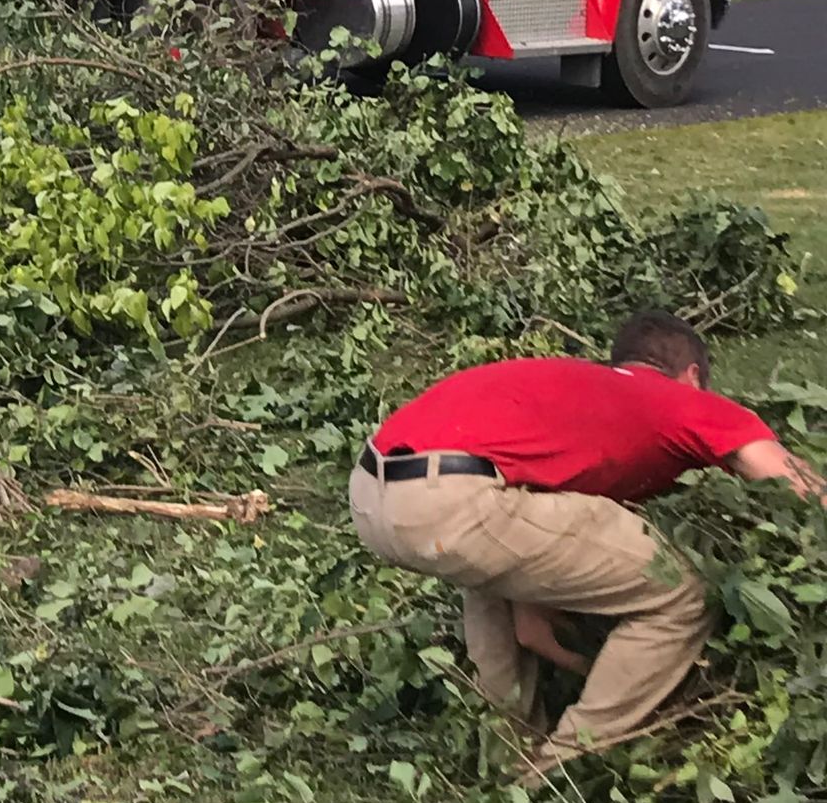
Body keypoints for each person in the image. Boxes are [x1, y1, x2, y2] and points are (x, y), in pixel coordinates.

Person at [351, 312, 823, 771]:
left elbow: (530, 598)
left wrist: (559, 644)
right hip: (456, 498)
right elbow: (792, 484)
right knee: (684, 587)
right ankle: (562, 769)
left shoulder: (576, 397)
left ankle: (507, 758)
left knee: (489, 562)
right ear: (693, 375)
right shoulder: (683, 401)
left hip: (374, 495)